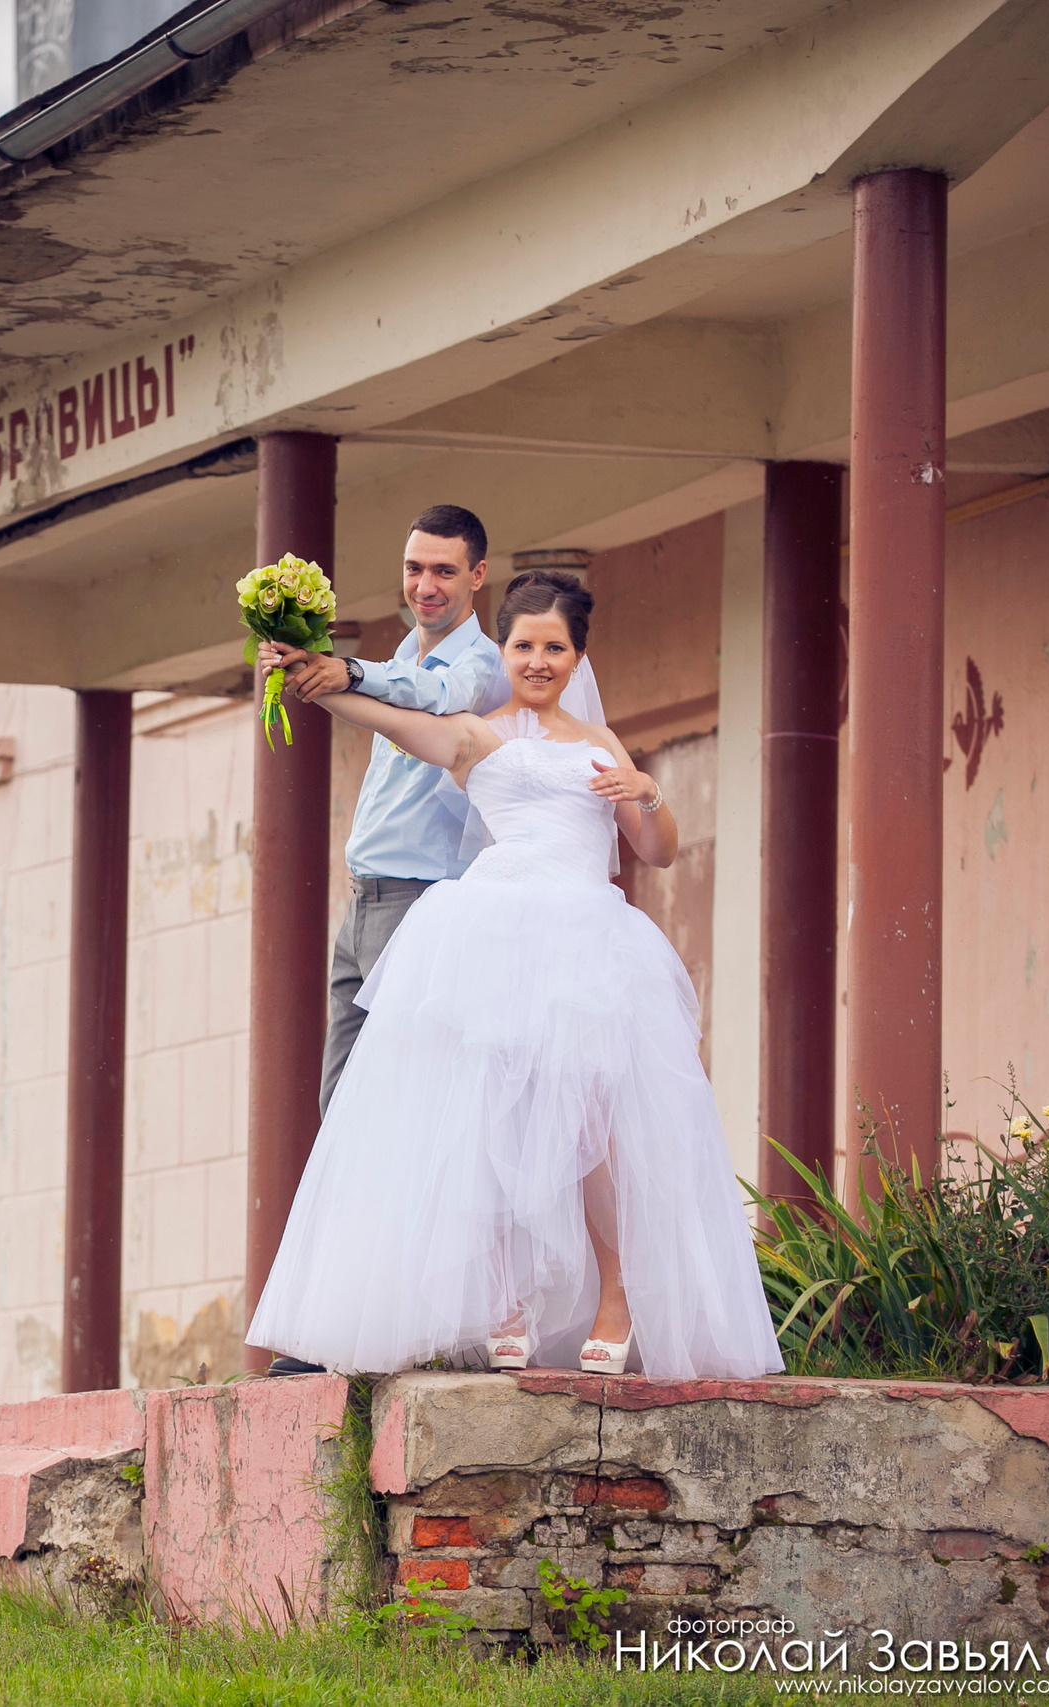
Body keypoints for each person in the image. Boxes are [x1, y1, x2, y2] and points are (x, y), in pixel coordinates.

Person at [242, 570, 783, 1380]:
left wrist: (647, 793)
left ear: (577, 655)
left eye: (554, 647)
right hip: (490, 931)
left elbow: (657, 848)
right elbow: (386, 716)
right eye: (524, 645)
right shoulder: (474, 734)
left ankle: (618, 1293)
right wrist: (314, 680)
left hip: (586, 939)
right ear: (505, 649)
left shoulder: (602, 745)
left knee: (596, 1125)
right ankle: (503, 1297)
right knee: (490, 1115)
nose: (537, 660)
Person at [271, 504, 508, 1118]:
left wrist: (347, 671)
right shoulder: (403, 656)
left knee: (403, 1102)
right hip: (366, 901)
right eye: (413, 568)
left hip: (418, 898)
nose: (425, 586)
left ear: (477, 575)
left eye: (444, 572)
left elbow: (436, 698)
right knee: (342, 1106)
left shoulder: (479, 664)